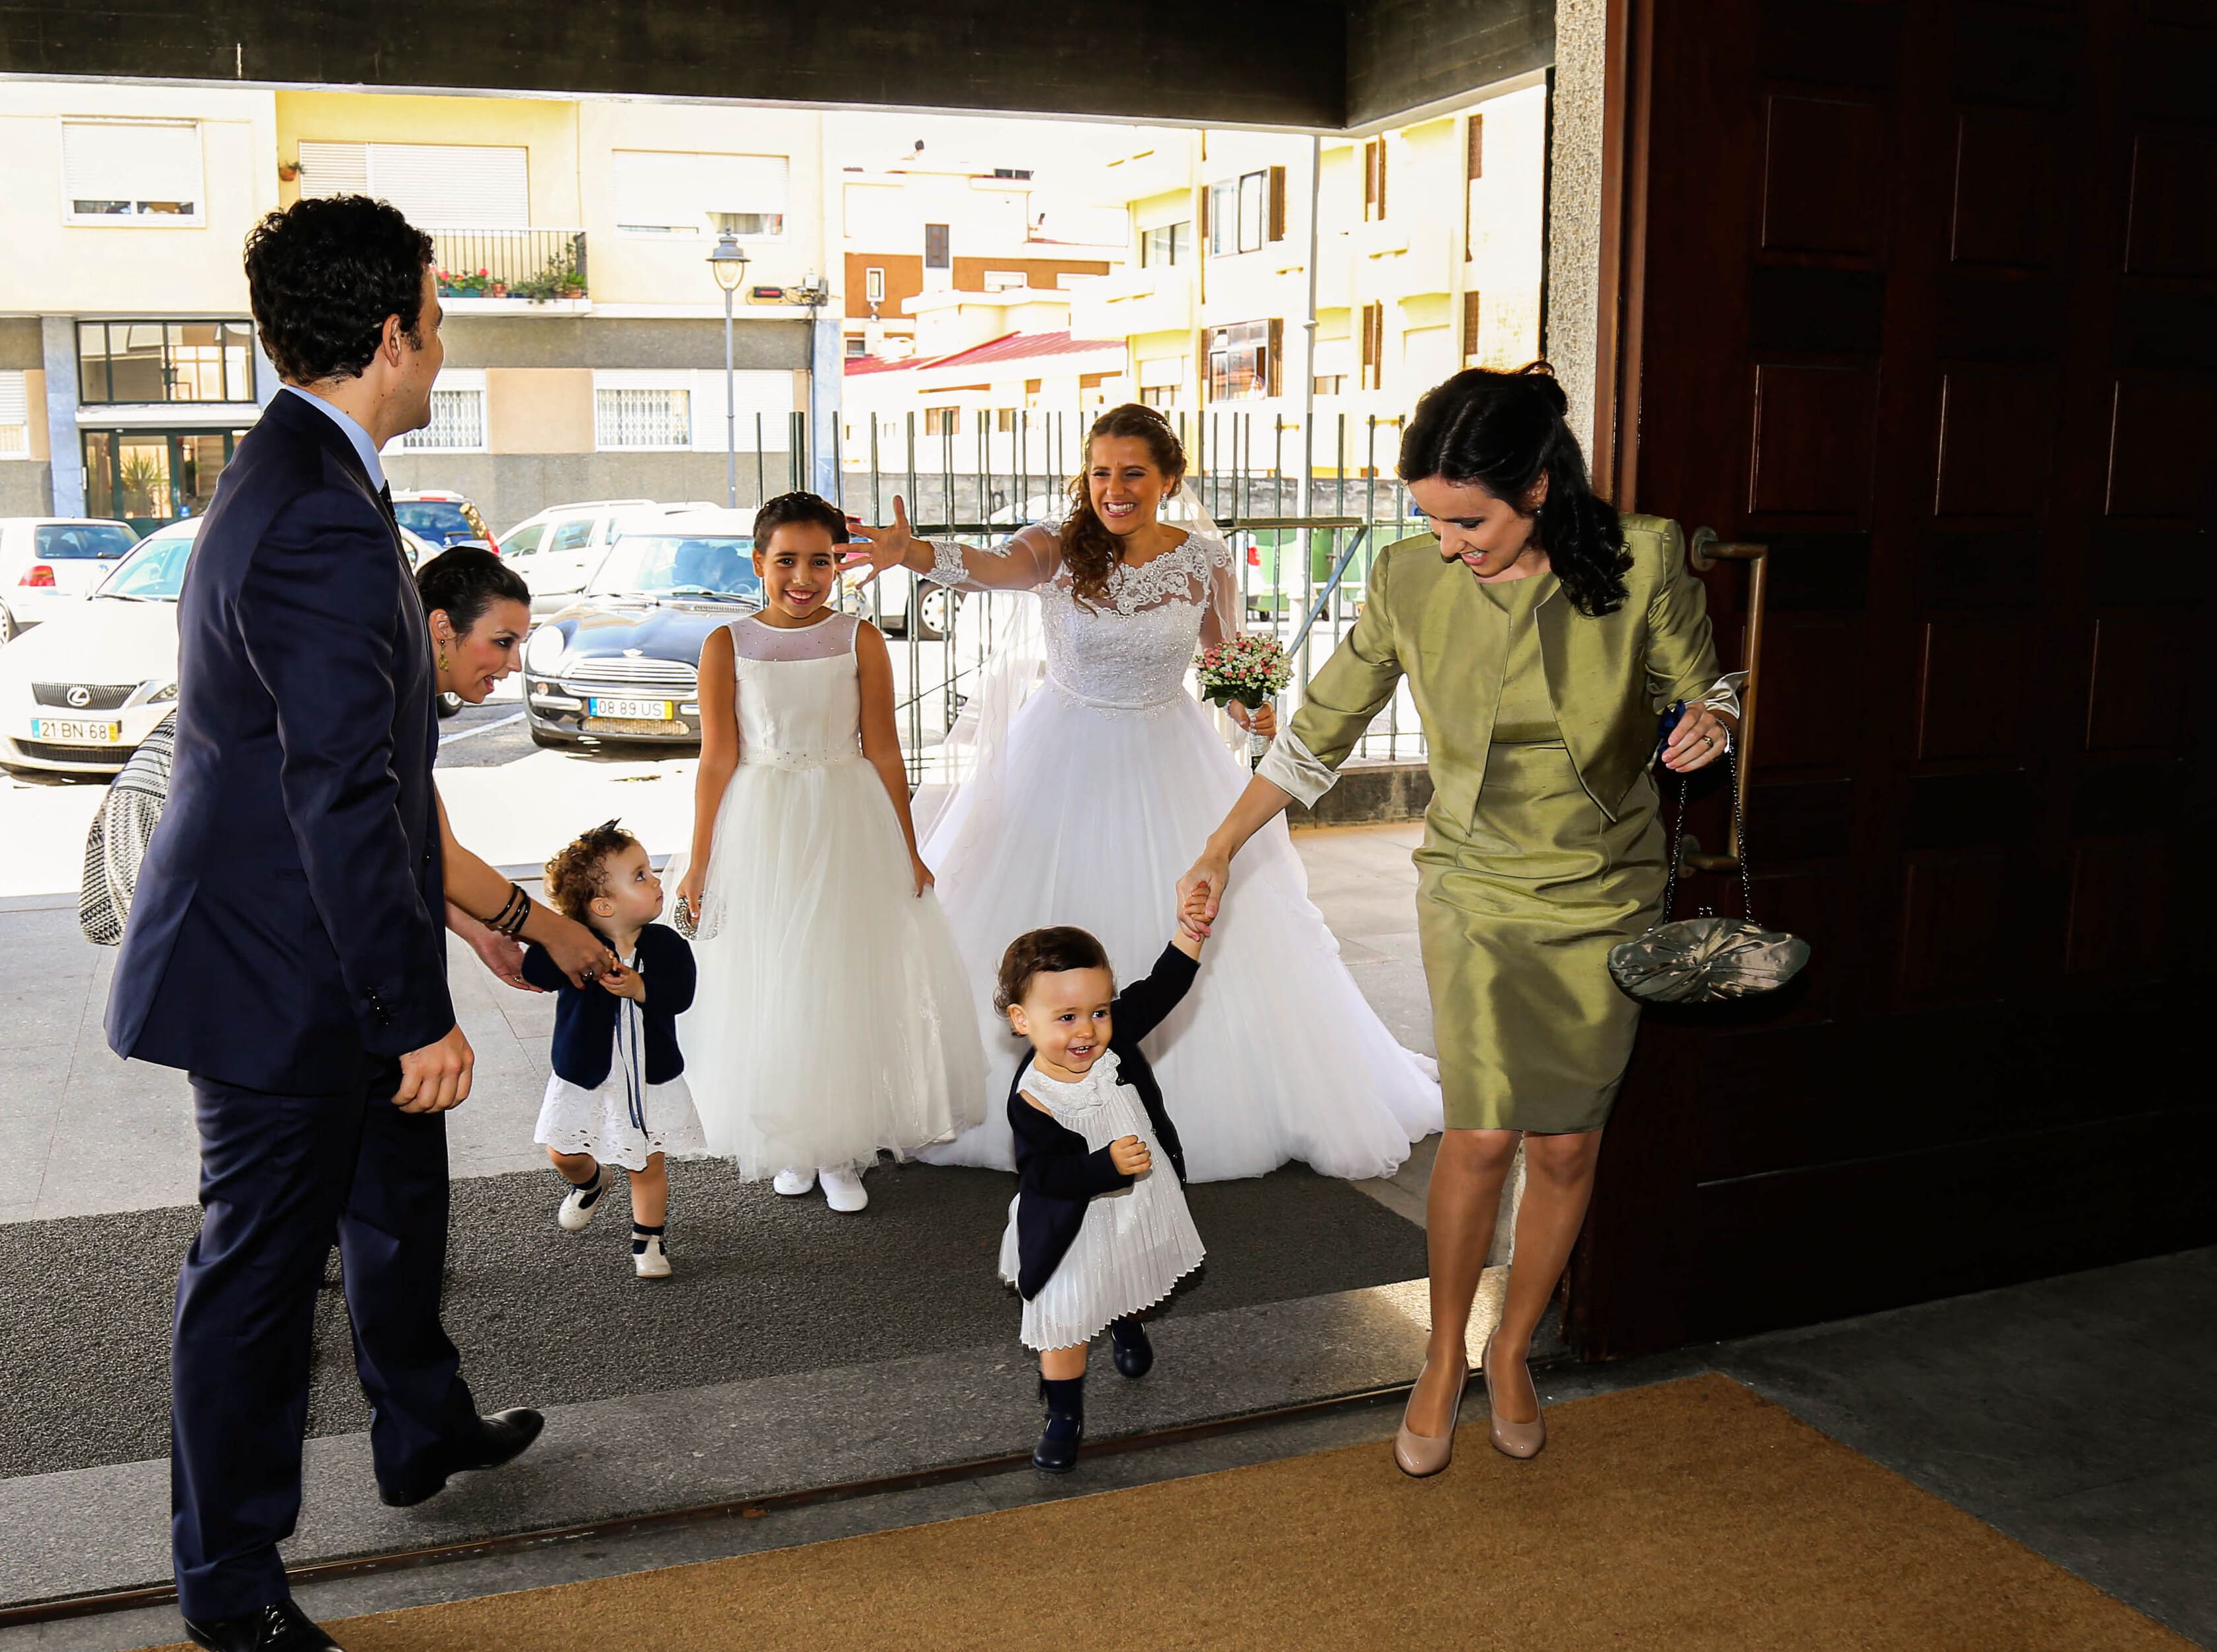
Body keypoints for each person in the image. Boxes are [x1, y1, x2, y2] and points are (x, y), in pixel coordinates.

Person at [106, 196, 611, 1652]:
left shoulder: (311, 473)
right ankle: (229, 1580)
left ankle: (421, 1421)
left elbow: (363, 761)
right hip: (279, 971)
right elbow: (339, 784)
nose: (441, 342)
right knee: (254, 1281)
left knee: (398, 1186)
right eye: (438, 318)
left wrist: (485, 928)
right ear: (390, 333)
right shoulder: (321, 507)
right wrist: (412, 1014)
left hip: (308, 938)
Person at [1180, 363, 1744, 1477]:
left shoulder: (1644, 556)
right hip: (1476, 888)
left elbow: (1703, 683)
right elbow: (1320, 730)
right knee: (1482, 1133)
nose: (1447, 542)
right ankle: (1442, 1358)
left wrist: (1712, 721)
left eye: (1468, 519)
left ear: (1539, 485)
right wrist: (1217, 844)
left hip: (1604, 888)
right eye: (1430, 519)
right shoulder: (1408, 578)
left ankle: (1515, 1349)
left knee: (1569, 1142)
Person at [845, 404, 1443, 1185]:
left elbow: (1224, 663)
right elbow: (990, 568)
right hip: (1061, 752)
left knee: (1199, 918)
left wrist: (1249, 705)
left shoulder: (1202, 562)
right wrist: (915, 553)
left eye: (1132, 473)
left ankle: (1201, 1102)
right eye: (1100, 472)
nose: (1114, 488)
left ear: (1167, 479)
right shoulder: (1055, 550)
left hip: (1170, 753)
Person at [677, 490, 986, 1212]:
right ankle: (794, 1138)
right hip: (763, 822)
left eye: (820, 560)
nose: (803, 576)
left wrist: (907, 849)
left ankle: (843, 1146)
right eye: (785, 560)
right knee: (777, 981)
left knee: (843, 977)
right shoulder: (727, 643)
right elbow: (716, 760)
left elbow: (882, 748)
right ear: (758, 562)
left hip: (847, 820)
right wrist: (700, 862)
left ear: (838, 565)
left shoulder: (860, 639)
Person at [997, 915, 1210, 1473]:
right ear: (1022, 1020)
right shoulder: (1034, 1098)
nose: (1087, 1030)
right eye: (1065, 1017)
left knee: (1132, 1265)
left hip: (1136, 1198)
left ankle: (1126, 1318)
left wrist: (1190, 932)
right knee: (1064, 1315)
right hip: (1071, 1222)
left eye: (1099, 1010)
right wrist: (1103, 1167)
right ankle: (1063, 1414)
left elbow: (1162, 988)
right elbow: (1043, 1175)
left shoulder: (1111, 1042)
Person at [529, 820, 700, 1278]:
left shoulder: (665, 944)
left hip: (647, 1076)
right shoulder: (576, 946)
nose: (657, 878)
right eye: (641, 875)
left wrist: (642, 986)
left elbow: (680, 994)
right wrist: (545, 937)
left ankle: (649, 1241)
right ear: (603, 905)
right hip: (584, 1072)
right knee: (562, 1150)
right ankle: (591, 1181)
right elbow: (537, 971)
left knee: (645, 1163)